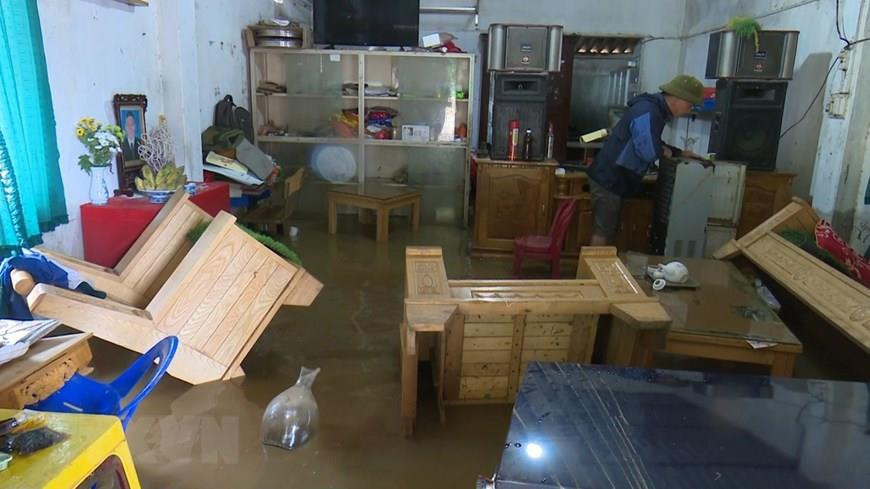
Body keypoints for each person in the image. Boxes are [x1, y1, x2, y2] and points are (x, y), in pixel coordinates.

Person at [587, 74, 708, 245]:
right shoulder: (648, 110)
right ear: (677, 97)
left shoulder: (654, 110)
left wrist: (677, 152)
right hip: (609, 179)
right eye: (689, 105)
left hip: (614, 178)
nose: (689, 110)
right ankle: (592, 263)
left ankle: (599, 262)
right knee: (603, 232)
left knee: (608, 230)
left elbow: (651, 142)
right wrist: (663, 151)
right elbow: (647, 151)